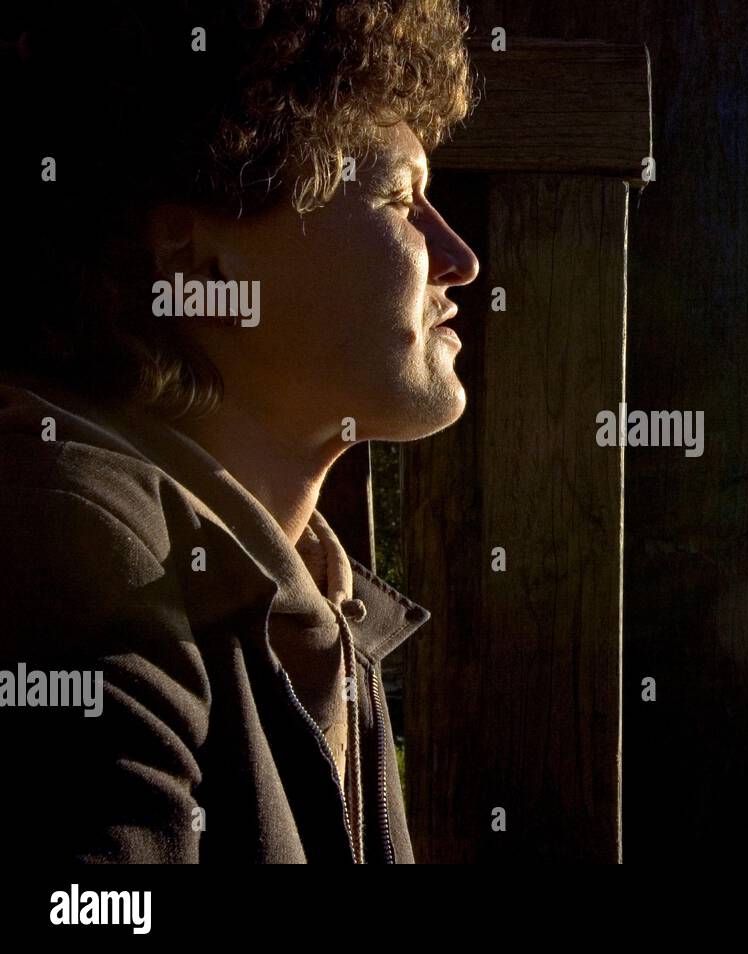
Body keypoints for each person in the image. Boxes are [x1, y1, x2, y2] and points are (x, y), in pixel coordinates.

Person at [0, 0, 479, 862]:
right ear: (194, 257)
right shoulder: (75, 542)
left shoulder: (321, 599)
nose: (459, 259)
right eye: (400, 199)